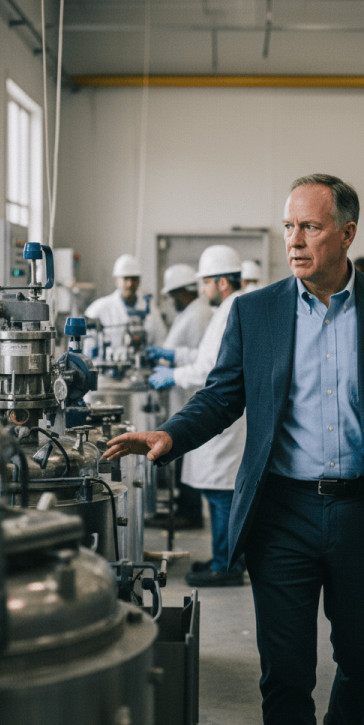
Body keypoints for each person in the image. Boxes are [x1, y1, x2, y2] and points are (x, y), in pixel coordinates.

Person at [104, 174, 364, 725]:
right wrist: (170, 434)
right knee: (285, 675)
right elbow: (221, 396)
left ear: (346, 234)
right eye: (289, 226)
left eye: (310, 227)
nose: (294, 240)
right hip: (282, 514)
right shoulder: (255, 312)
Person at [146, 245, 247, 587]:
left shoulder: (233, 309)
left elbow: (209, 369)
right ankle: (224, 558)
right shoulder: (228, 308)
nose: (202, 289)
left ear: (220, 282)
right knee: (219, 492)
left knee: (221, 494)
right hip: (221, 418)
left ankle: (228, 566)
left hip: (224, 420)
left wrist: (173, 374)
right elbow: (206, 354)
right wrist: (173, 355)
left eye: (205, 282)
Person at [144, 263, 214, 530]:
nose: (170, 300)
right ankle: (183, 506)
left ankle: (189, 512)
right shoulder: (191, 312)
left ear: (183, 291)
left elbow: (202, 361)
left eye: (172, 294)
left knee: (186, 455)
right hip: (183, 392)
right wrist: (168, 355)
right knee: (182, 455)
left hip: (191, 393)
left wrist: (172, 365)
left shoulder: (198, 314)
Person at [84, 254, 165, 357]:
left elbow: (160, 340)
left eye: (134, 279)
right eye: (126, 278)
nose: (130, 284)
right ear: (117, 280)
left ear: (139, 280)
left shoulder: (150, 309)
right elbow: (88, 349)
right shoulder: (98, 309)